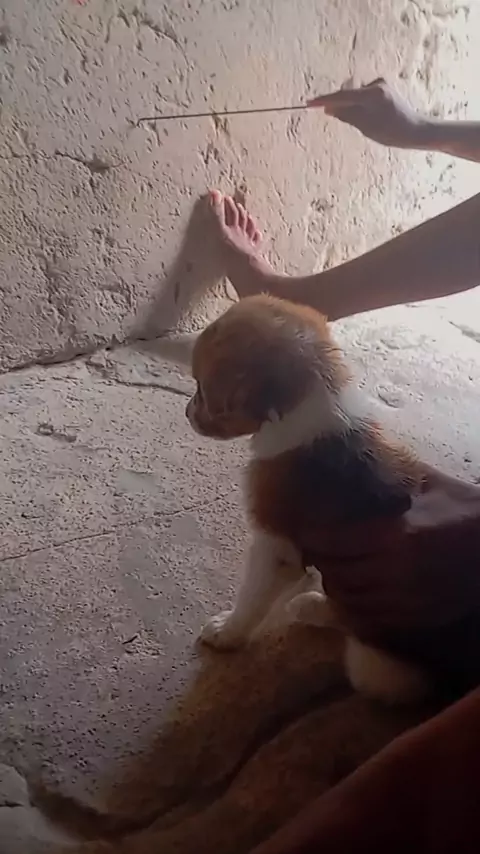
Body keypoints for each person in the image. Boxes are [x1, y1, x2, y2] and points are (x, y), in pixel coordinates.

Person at [204, 79, 480, 851]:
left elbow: (277, 558)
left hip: (408, 661)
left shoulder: (283, 469)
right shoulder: (349, 424)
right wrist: (423, 128)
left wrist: (237, 630)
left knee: (385, 686)